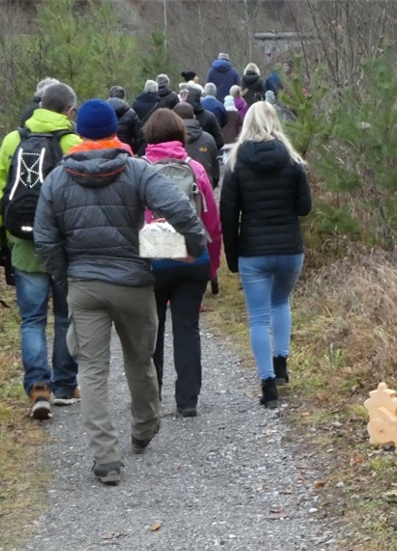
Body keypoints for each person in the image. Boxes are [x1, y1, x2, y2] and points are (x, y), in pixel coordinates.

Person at [33, 99, 208, 485]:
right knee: (140, 359)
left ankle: (105, 458)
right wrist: (195, 247)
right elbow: (178, 207)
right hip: (132, 281)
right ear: (115, 131)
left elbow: (45, 239)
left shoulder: (58, 179)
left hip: (84, 285)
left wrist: (68, 279)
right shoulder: (135, 170)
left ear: (80, 134)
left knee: (92, 371)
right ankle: (144, 428)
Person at [0, 80, 82, 420]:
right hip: (64, 247)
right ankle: (64, 384)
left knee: (31, 319)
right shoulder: (74, 143)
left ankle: (38, 388)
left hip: (23, 243)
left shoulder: (14, 140)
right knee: (65, 317)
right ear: (69, 111)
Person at [220, 101, 312, 410]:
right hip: (289, 249)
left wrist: (232, 260)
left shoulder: (236, 162)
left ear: (247, 123)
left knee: (258, 318)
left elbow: (229, 216)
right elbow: (304, 208)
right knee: (281, 302)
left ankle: (268, 384)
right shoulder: (292, 160)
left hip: (254, 251)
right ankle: (282, 362)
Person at [141, 109, 222, 419]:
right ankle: (187, 401)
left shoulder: (139, 169)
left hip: (154, 257)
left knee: (154, 329)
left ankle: (154, 399)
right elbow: (212, 223)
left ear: (148, 135)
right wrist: (211, 264)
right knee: (187, 329)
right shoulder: (196, 168)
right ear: (181, 135)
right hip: (192, 258)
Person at [173, 101, 219, 188]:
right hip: (203, 190)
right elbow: (215, 173)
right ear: (194, 117)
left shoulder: (168, 139)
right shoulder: (208, 139)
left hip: (175, 192)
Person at [184, 84, 224, 150]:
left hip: (183, 157)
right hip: (205, 156)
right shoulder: (210, 116)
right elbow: (220, 141)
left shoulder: (178, 115)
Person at [106, 85, 142, 153]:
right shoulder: (132, 113)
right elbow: (139, 137)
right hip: (125, 151)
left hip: (105, 150)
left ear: (109, 96)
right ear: (124, 97)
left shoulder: (101, 111)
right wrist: (133, 151)